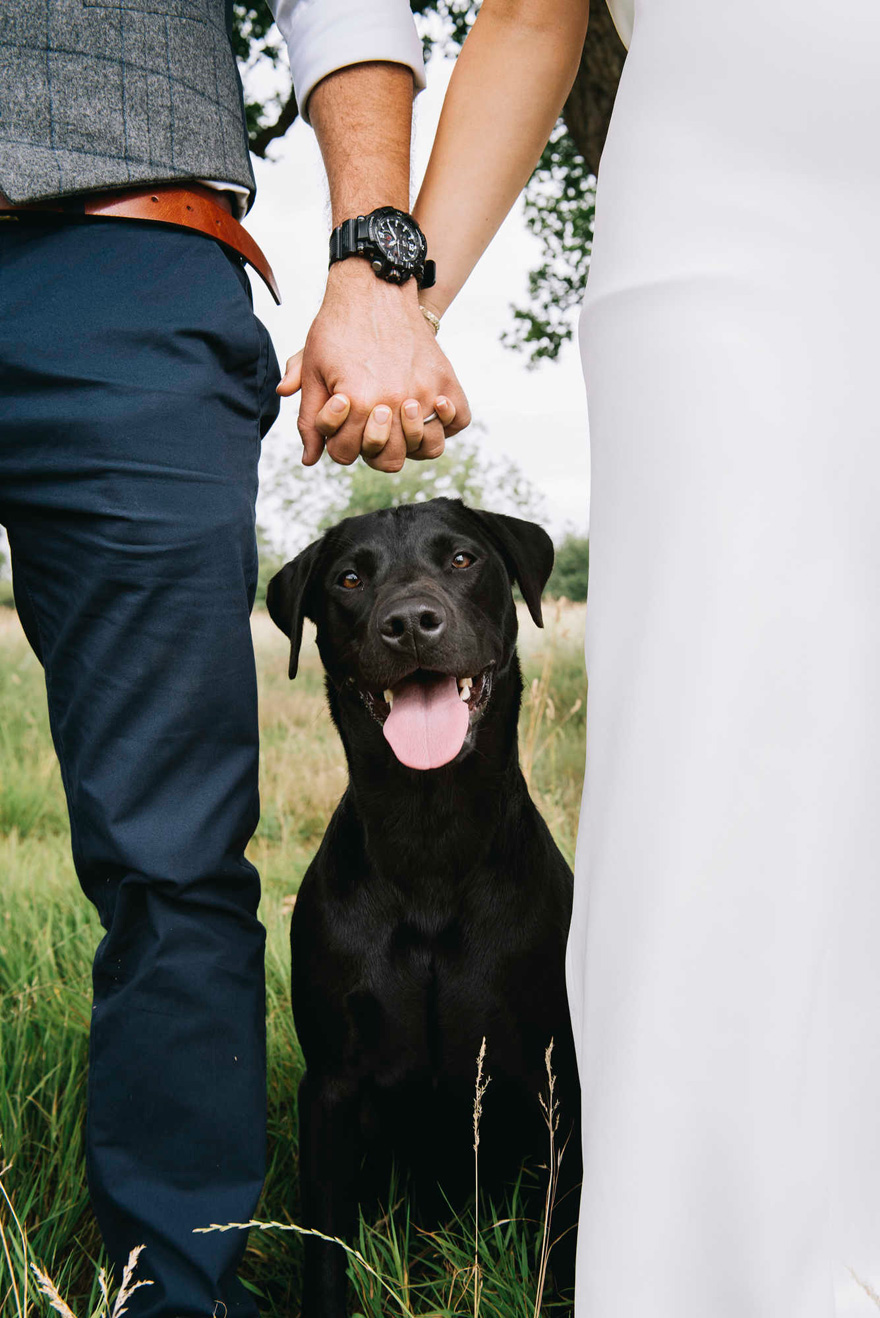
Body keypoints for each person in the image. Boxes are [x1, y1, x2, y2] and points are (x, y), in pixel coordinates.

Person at [315, 0, 880, 1312]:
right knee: (719, 735)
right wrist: (399, 286)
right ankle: (716, 1263)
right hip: (731, 213)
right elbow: (525, 11)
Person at [0, 1, 467, 1314]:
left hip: (125, 266)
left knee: (172, 848)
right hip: (123, 286)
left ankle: (177, 1292)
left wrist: (377, 258)